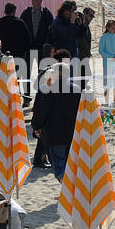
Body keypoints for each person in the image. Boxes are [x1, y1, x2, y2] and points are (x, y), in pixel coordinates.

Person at [32, 51, 79, 179]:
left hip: (55, 133)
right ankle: (68, 192)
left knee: (59, 166)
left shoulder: (50, 90)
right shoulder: (76, 89)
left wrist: (36, 126)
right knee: (70, 164)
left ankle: (66, 192)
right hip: (72, 132)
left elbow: (42, 110)